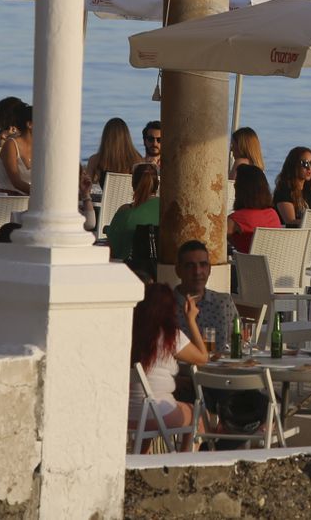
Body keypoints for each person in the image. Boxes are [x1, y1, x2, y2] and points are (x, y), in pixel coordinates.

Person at [129, 282, 209, 434]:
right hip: (157, 412)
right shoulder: (169, 335)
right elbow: (202, 358)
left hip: (129, 415)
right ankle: (185, 457)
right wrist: (191, 319)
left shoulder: (131, 334)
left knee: (146, 429)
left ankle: (143, 456)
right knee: (198, 416)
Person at [173, 240, 237, 352]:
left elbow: (238, 343)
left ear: (209, 269)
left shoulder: (223, 303)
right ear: (178, 270)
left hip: (220, 368)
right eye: (190, 266)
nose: (197, 271)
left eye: (203, 265)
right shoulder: (165, 305)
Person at [106, 163, 161, 263]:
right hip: (160, 267)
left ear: (133, 184)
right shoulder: (165, 209)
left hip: (130, 269)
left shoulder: (126, 212)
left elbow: (111, 250)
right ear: (157, 184)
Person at [227, 164, 281, 254]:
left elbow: (214, 238)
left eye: (236, 183)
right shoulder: (273, 214)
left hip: (246, 266)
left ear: (240, 189)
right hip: (273, 266)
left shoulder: (237, 219)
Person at [0, 101, 33, 194]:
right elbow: (16, 182)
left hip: (23, 199)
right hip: (2, 200)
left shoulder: (40, 147)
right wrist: (43, 194)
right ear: (29, 124)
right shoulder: (11, 145)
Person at [86, 117, 143, 185]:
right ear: (127, 137)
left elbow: (87, 186)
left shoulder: (95, 160)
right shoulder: (137, 159)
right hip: (129, 196)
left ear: (105, 137)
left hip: (107, 196)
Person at [272, 146, 311, 227]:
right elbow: (290, 222)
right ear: (294, 165)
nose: (310, 168)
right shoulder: (283, 191)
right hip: (288, 237)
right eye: (305, 164)